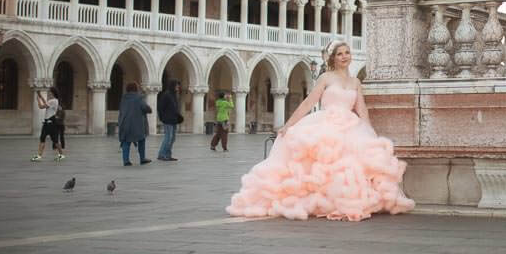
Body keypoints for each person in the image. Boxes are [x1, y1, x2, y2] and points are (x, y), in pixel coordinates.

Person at [227, 40, 415, 221]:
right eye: (339, 54)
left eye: (347, 53)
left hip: (350, 126)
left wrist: (370, 133)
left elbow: (361, 108)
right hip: (326, 123)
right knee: (321, 164)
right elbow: (309, 103)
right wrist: (289, 124)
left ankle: (340, 200)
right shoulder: (325, 78)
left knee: (349, 165)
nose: (344, 57)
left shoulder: (356, 82)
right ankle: (321, 201)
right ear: (332, 58)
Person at [117, 82, 152, 166]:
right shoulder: (139, 98)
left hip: (124, 123)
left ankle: (126, 161)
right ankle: (142, 159)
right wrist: (149, 109)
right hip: (137, 124)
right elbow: (145, 108)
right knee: (141, 139)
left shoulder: (123, 98)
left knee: (126, 141)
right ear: (136, 89)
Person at [32, 87, 65, 162]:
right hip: (47, 122)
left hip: (51, 123)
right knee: (42, 138)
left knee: (55, 141)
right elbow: (46, 104)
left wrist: (38, 99)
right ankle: (39, 156)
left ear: (53, 93)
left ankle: (61, 154)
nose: (49, 93)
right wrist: (40, 96)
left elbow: (41, 106)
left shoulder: (53, 101)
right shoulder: (53, 101)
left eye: (50, 92)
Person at [156, 79, 184, 162]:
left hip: (173, 120)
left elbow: (174, 108)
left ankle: (168, 155)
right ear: (173, 86)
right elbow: (160, 107)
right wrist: (162, 118)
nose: (178, 87)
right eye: (177, 85)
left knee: (172, 138)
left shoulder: (174, 95)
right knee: (168, 137)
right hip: (167, 120)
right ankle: (161, 155)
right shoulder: (166, 95)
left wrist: (178, 116)